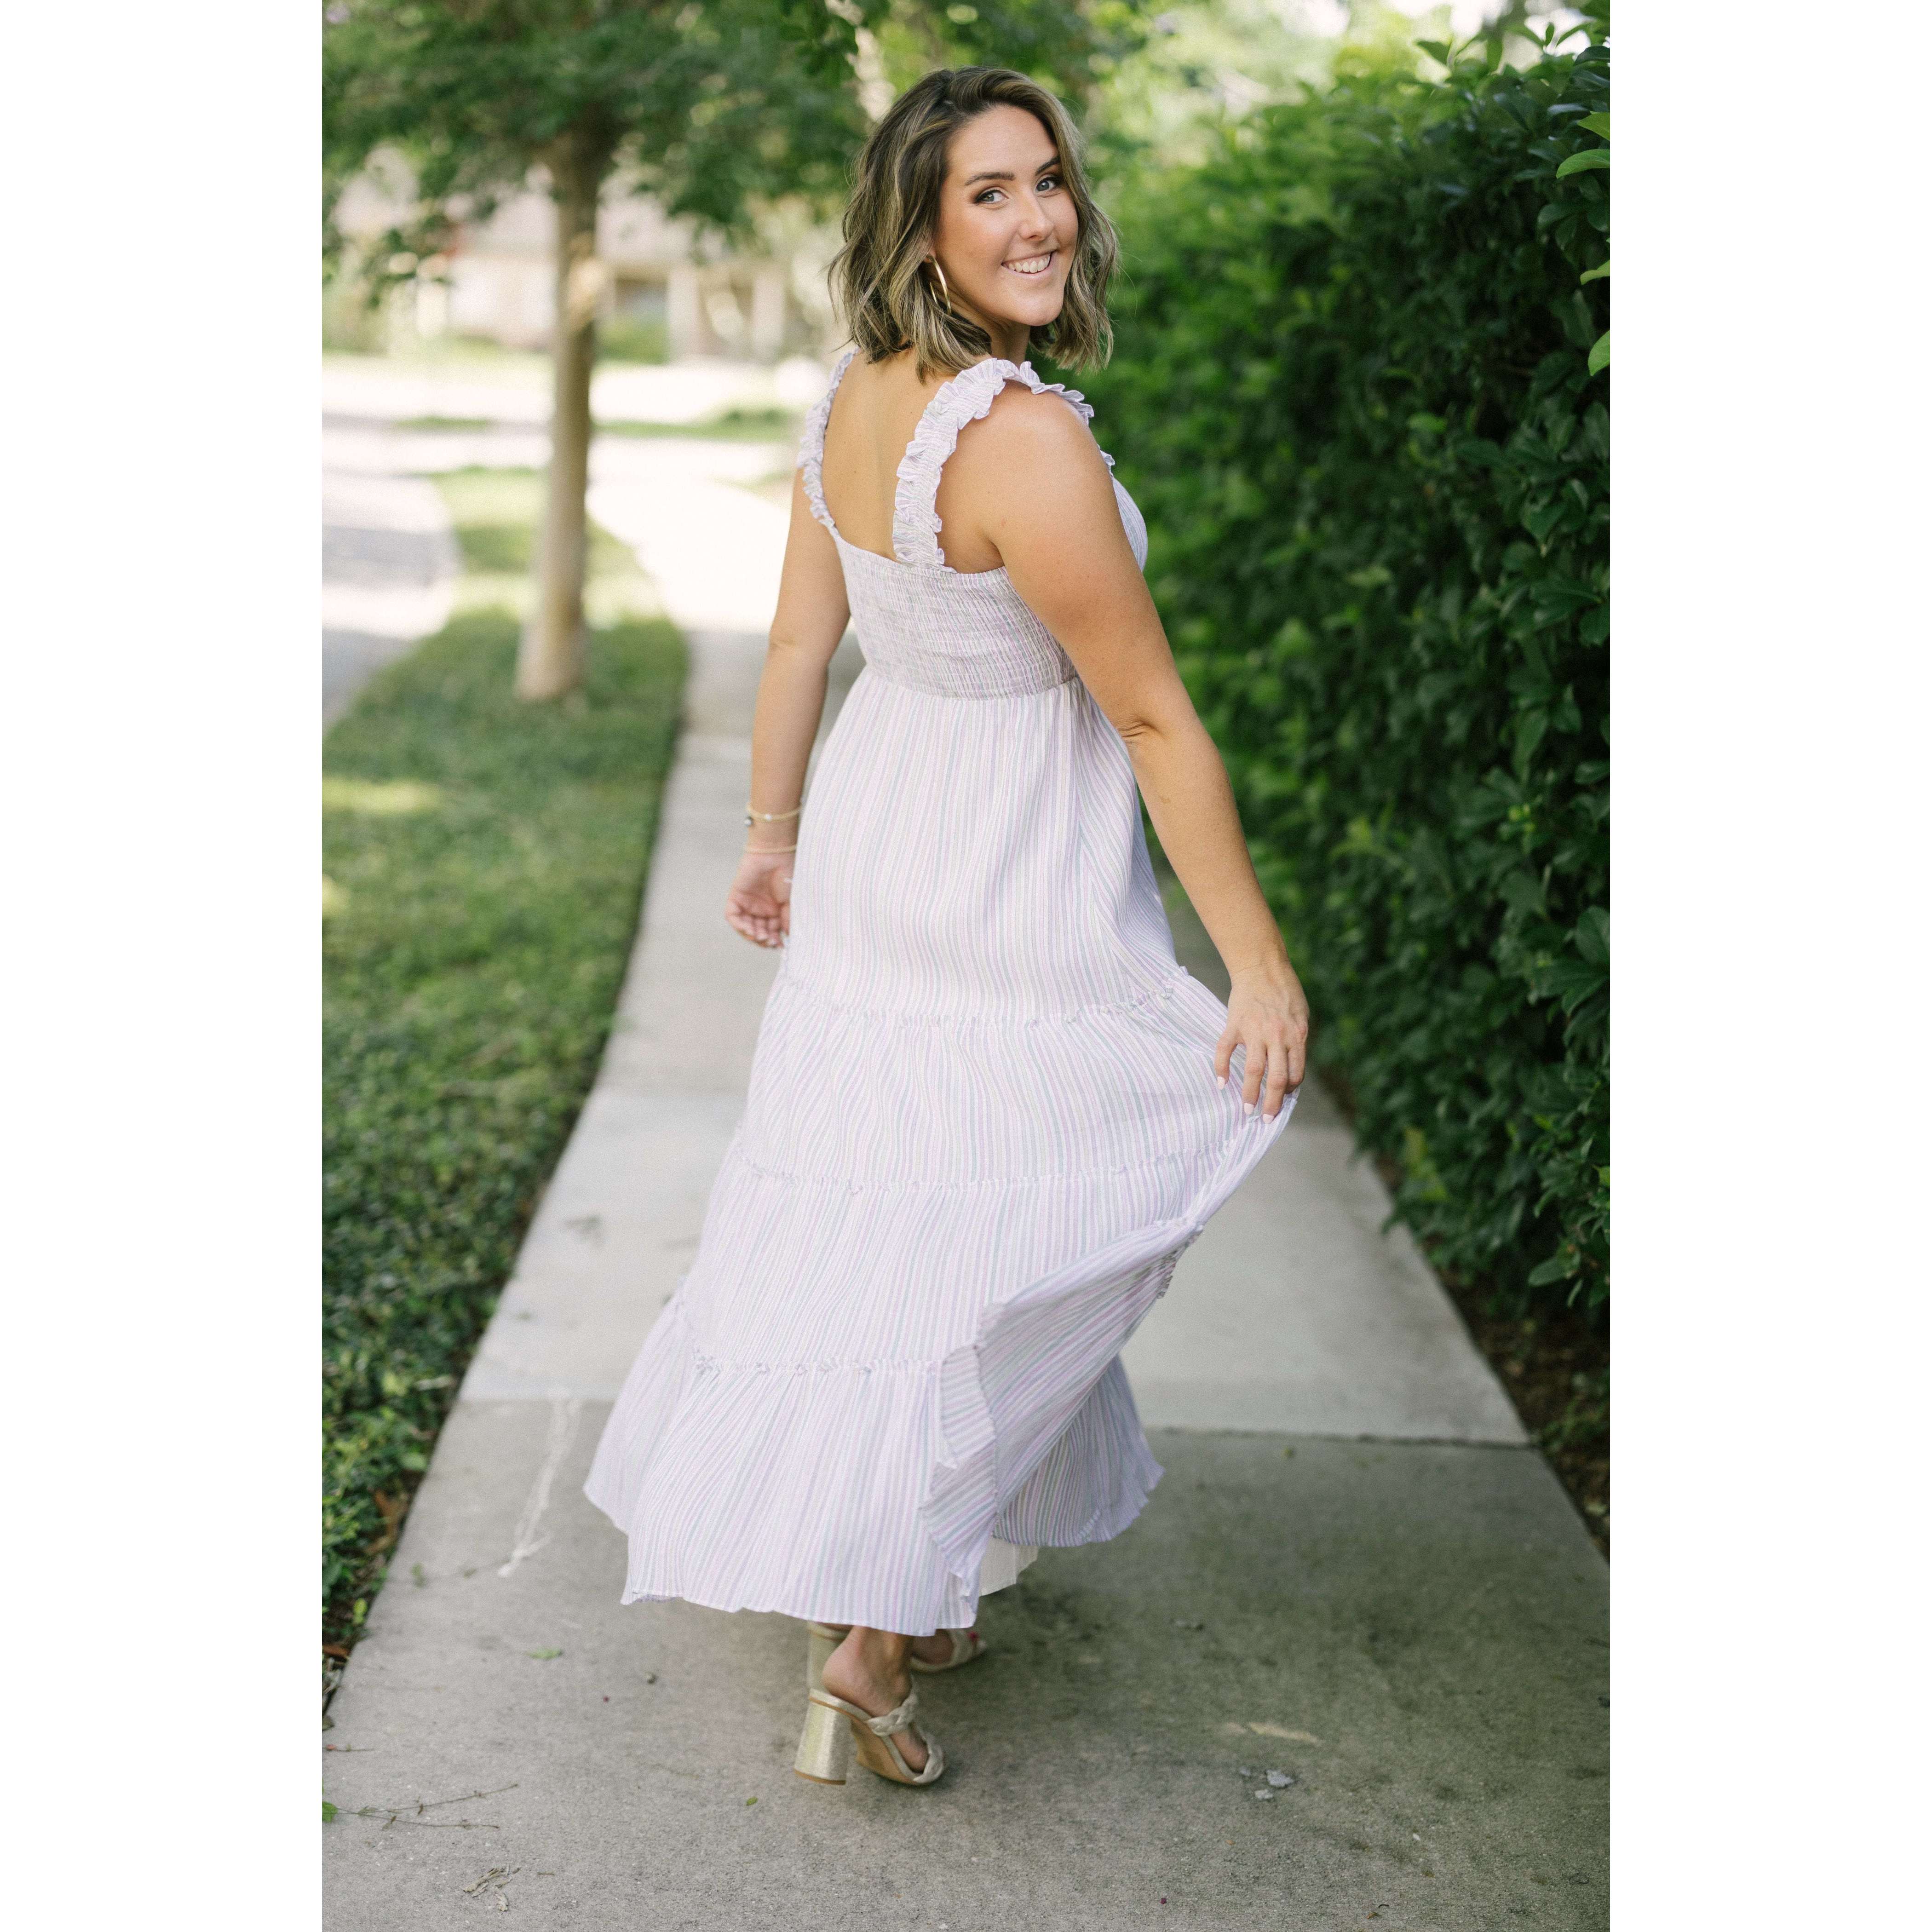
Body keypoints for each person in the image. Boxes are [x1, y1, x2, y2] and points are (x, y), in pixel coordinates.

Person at [584, 65, 1309, 1789]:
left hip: (892, 822)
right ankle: (874, 1634)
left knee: (902, 1199)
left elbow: (799, 645)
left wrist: (775, 837)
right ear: (918, 226)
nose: (1040, 217)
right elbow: (1151, 719)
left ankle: (901, 1572)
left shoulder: (854, 396)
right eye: (990, 192)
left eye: (1046, 179)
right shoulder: (1022, 440)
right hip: (1005, 858)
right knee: (1023, 1218)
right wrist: (1259, 964)